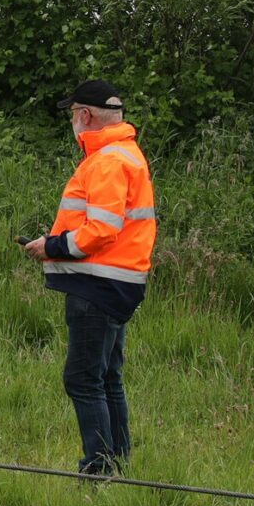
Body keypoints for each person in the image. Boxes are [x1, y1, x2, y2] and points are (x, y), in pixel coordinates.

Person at [22, 79, 156, 476]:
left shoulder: (107, 161)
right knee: (107, 377)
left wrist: (51, 246)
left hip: (98, 285)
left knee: (82, 379)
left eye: (72, 115)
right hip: (119, 281)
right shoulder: (127, 154)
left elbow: (101, 230)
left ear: (85, 115)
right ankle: (118, 464)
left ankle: (98, 471)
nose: (72, 123)